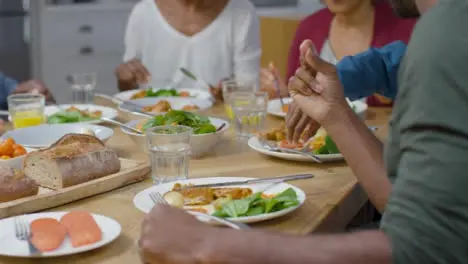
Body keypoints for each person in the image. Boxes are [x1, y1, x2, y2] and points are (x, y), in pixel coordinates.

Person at [139, 0, 468, 263]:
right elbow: (406, 208)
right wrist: (337, 104)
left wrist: (209, 245)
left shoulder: (446, 30)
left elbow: (424, 249)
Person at [261, 0, 416, 106]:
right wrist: (285, 95)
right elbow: (301, 98)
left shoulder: (406, 26)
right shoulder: (308, 27)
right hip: (316, 146)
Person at [115, 0, 261, 100]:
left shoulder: (242, 12)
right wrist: (125, 79)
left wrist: (229, 92)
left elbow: (250, 88)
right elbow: (128, 93)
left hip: (217, 125)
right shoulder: (143, 12)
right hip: (151, 122)